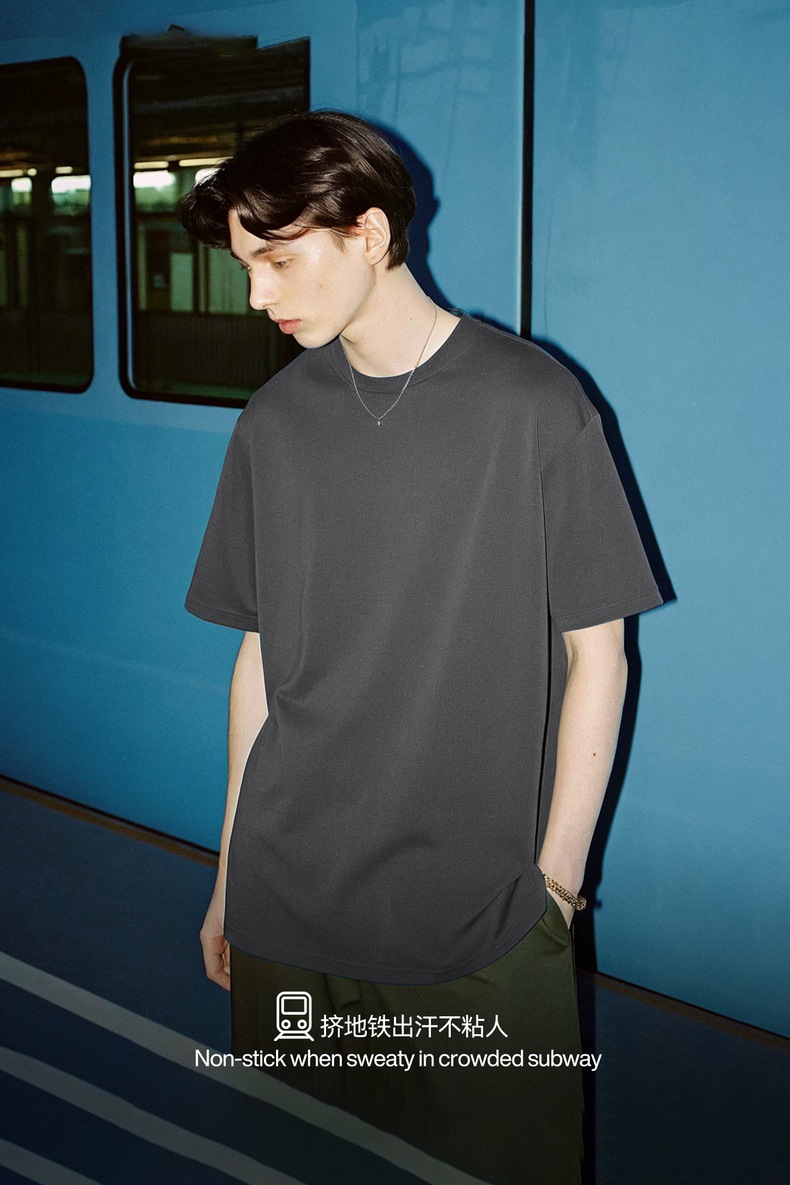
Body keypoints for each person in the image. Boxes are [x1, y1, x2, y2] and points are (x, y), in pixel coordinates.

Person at [180, 109, 662, 1185]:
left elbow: (599, 655)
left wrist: (555, 887)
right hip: (288, 906)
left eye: (277, 260)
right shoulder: (272, 422)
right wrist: (230, 877)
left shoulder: (533, 404)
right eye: (245, 266)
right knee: (311, 1163)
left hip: (480, 921)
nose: (257, 295)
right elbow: (259, 663)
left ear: (368, 232)